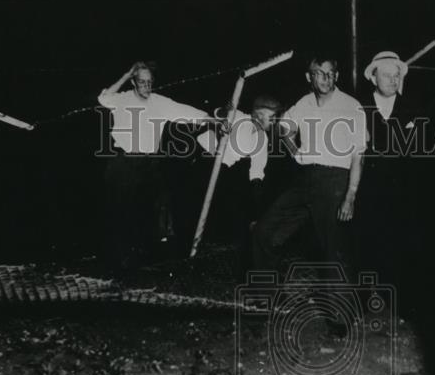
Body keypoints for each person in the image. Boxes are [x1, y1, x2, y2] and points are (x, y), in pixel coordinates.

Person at [252, 53, 367, 279]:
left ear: (337, 76)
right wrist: (295, 152)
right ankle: (264, 299)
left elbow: (358, 155)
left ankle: (343, 313)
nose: (325, 78)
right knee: (264, 232)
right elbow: (284, 128)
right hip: (304, 178)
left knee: (334, 252)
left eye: (330, 73)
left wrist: (350, 196)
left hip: (334, 181)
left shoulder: (351, 106)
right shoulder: (303, 103)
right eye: (319, 73)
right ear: (309, 76)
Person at [97, 61, 209, 271]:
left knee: (159, 202)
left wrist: (211, 120)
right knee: (122, 209)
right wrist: (126, 72)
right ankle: (121, 260)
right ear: (133, 82)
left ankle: (154, 251)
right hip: (124, 162)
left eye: (150, 82)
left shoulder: (159, 102)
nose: (147, 87)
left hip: (149, 161)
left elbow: (182, 110)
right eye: (142, 82)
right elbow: (102, 98)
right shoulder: (122, 100)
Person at [356, 51, 422, 299]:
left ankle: (395, 295)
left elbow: (416, 151)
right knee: (366, 239)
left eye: (396, 76)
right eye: (386, 75)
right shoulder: (359, 107)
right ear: (373, 78)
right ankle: (362, 296)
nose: (392, 80)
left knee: (397, 240)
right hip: (367, 184)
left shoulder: (411, 108)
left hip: (400, 186)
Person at [194, 94, 280, 276]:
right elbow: (217, 112)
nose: (273, 123)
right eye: (271, 118)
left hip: (224, 170)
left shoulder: (262, 139)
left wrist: (256, 210)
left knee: (236, 188)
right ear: (258, 114)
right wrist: (225, 111)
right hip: (202, 156)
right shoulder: (239, 117)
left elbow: (256, 172)